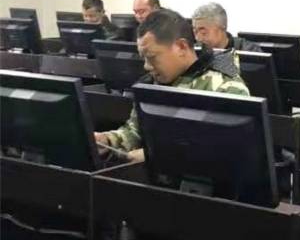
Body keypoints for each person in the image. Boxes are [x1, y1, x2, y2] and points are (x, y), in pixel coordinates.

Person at [94, 9, 250, 161]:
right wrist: (108, 140)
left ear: (181, 47)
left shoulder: (226, 88)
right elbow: (134, 131)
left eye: (152, 57)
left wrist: (154, 155)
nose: (146, 66)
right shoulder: (150, 84)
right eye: (144, 58)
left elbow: (226, 151)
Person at [191, 2, 261, 52]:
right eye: (195, 32)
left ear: (222, 27)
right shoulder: (194, 53)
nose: (198, 38)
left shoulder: (248, 51)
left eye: (203, 33)